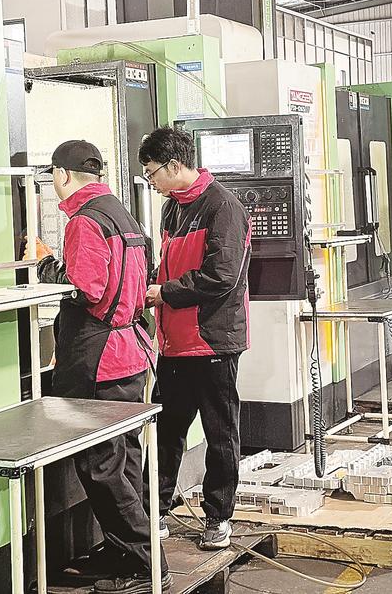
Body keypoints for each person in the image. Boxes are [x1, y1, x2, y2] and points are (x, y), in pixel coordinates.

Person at [34, 139, 170, 594]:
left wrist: (45, 264)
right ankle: (124, 550)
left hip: (100, 361)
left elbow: (86, 287)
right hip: (131, 355)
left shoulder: (84, 221)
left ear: (62, 175)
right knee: (124, 459)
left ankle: (146, 563)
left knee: (101, 466)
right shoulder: (122, 214)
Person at [139, 127, 251, 551]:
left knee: (220, 433)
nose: (151, 182)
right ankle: (156, 510)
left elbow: (221, 276)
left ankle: (219, 517)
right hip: (173, 343)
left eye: (152, 173)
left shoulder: (224, 207)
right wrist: (149, 287)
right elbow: (169, 265)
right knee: (167, 430)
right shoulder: (172, 209)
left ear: (173, 166)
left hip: (213, 342)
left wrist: (165, 293)